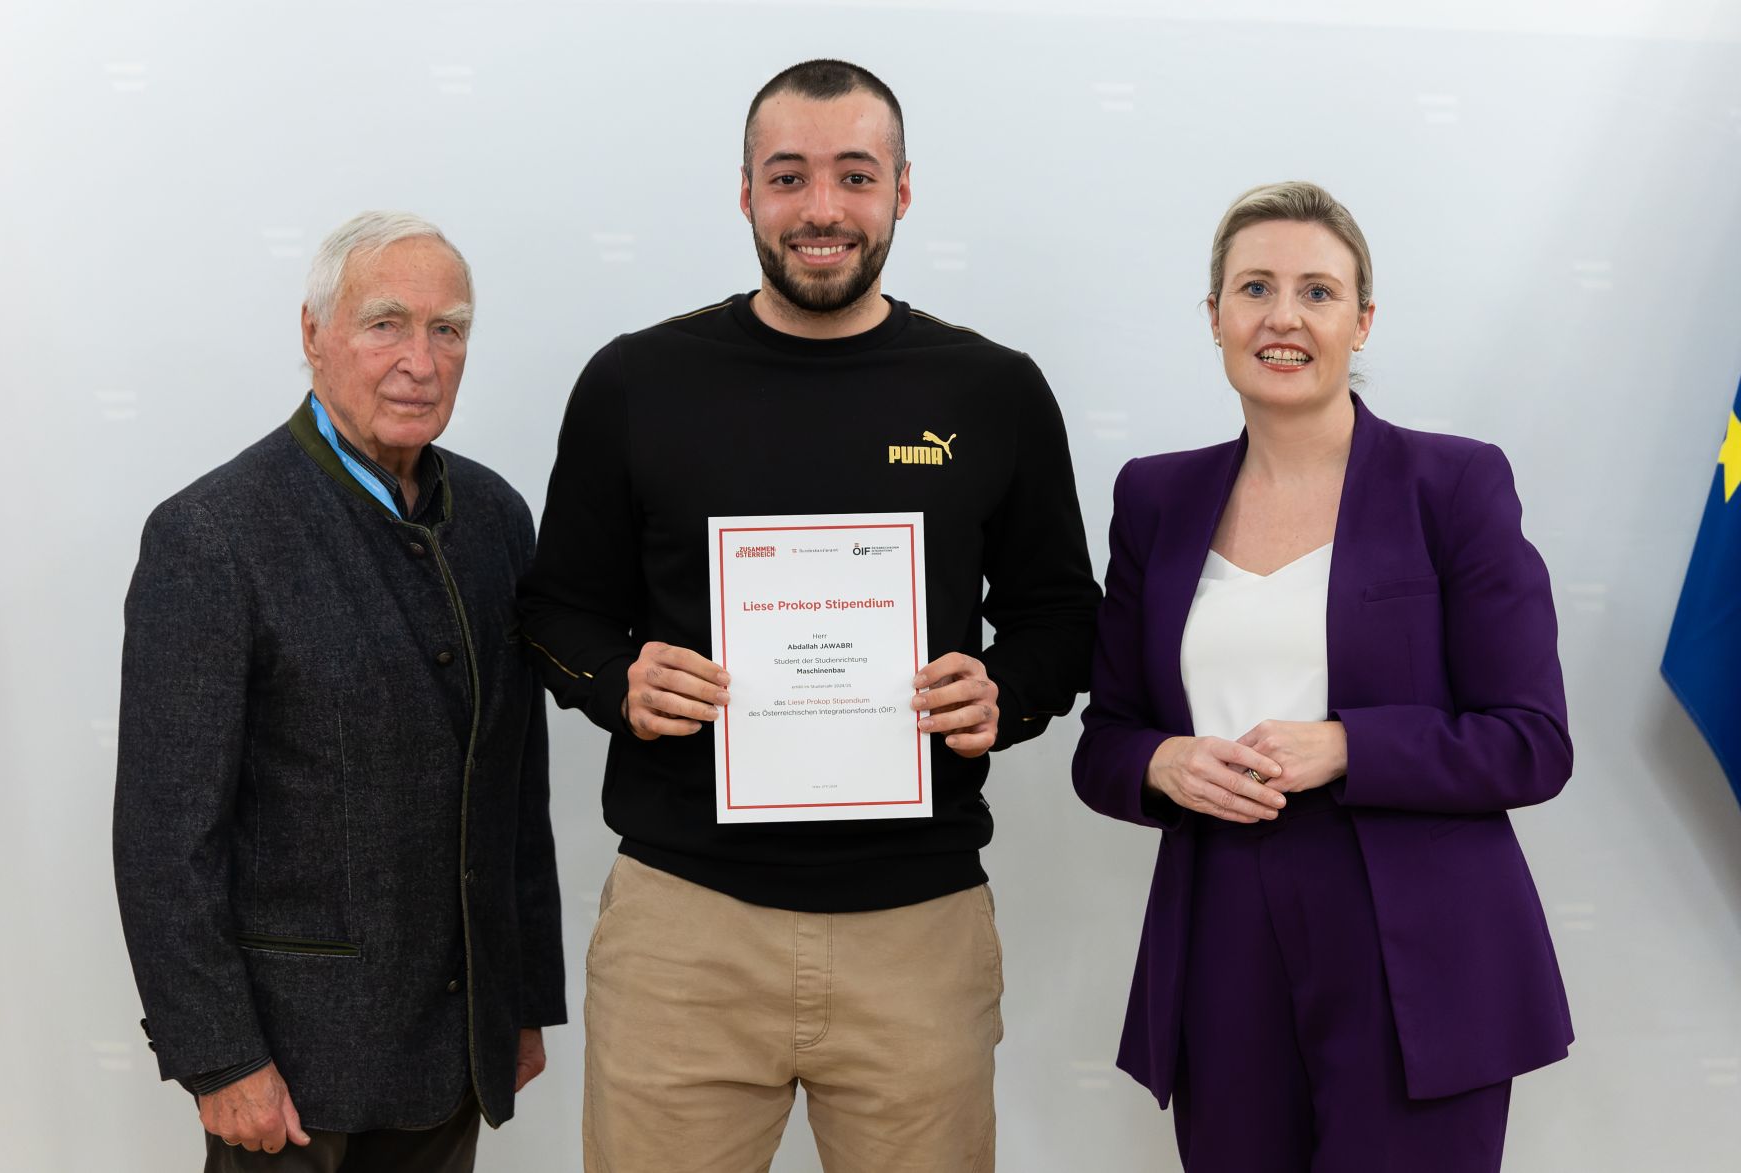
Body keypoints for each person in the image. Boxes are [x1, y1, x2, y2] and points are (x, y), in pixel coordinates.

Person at [517, 59, 1099, 1173]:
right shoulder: (636, 382)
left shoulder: (990, 390)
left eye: (853, 175)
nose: (821, 209)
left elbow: (1059, 616)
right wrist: (616, 681)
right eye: (787, 177)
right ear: (744, 192)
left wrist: (1005, 691)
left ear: (901, 190)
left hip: (916, 932)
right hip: (682, 926)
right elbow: (557, 607)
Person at [1072, 181, 1573, 1171]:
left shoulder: (1453, 484)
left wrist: (1348, 745)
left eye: (1316, 291)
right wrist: (1161, 763)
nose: (1281, 316)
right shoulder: (1153, 497)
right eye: (1253, 287)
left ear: (1360, 321)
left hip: (1418, 945)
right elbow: (1105, 742)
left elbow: (1531, 742)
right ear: (1214, 316)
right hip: (1218, 924)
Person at [113, 211, 566, 1171]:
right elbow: (165, 841)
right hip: (293, 1072)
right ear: (313, 333)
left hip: (453, 1052)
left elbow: (514, 785)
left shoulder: (494, 515)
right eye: (385, 324)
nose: (421, 360)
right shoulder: (212, 536)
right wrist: (218, 1057)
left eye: (449, 330)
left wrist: (519, 1000)